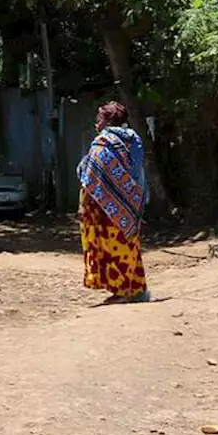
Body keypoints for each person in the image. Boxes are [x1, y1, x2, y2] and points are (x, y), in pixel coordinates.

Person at [75, 101, 150, 304]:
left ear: (108, 120)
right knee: (128, 247)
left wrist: (84, 205)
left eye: (99, 118)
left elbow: (92, 177)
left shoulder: (102, 142)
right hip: (130, 203)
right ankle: (134, 289)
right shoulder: (133, 140)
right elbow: (138, 173)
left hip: (105, 208)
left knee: (111, 247)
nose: (96, 122)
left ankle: (125, 290)